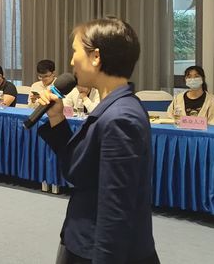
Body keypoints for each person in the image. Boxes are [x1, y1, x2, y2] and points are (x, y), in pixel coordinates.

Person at [37, 17, 158, 263]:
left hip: (97, 249)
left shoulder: (121, 117)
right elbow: (80, 170)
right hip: (82, 239)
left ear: (95, 56)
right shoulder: (112, 107)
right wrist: (57, 118)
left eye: (75, 52)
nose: (72, 61)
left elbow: (116, 210)